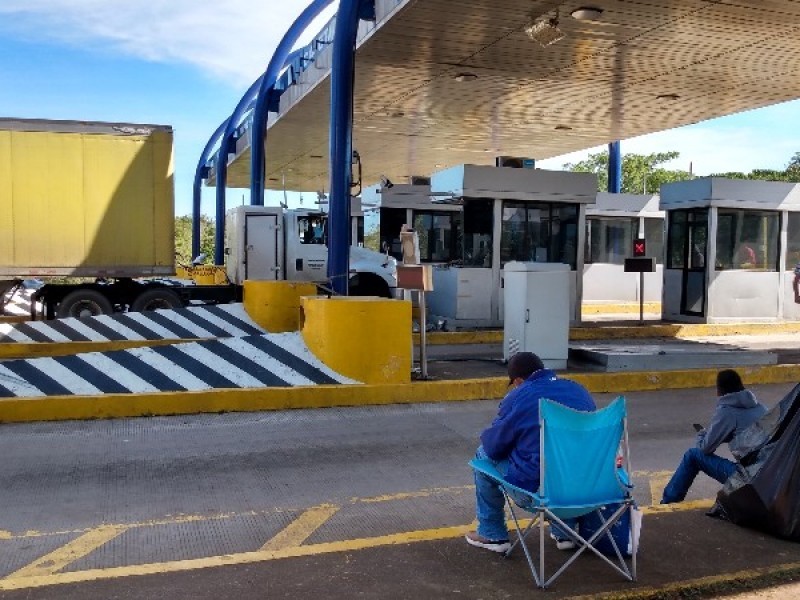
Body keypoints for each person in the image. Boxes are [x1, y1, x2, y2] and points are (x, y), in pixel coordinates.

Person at [465, 352, 596, 553]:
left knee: (482, 454)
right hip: (586, 490)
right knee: (565, 459)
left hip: (539, 494)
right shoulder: (578, 391)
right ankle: (565, 532)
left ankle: (492, 534)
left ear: (517, 381)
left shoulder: (521, 395)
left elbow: (494, 447)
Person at [661, 369, 767, 504]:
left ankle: (668, 501)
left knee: (692, 455)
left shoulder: (727, 412)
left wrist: (701, 434)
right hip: (770, 475)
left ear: (719, 390)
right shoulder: (761, 407)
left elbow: (705, 448)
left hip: (749, 479)